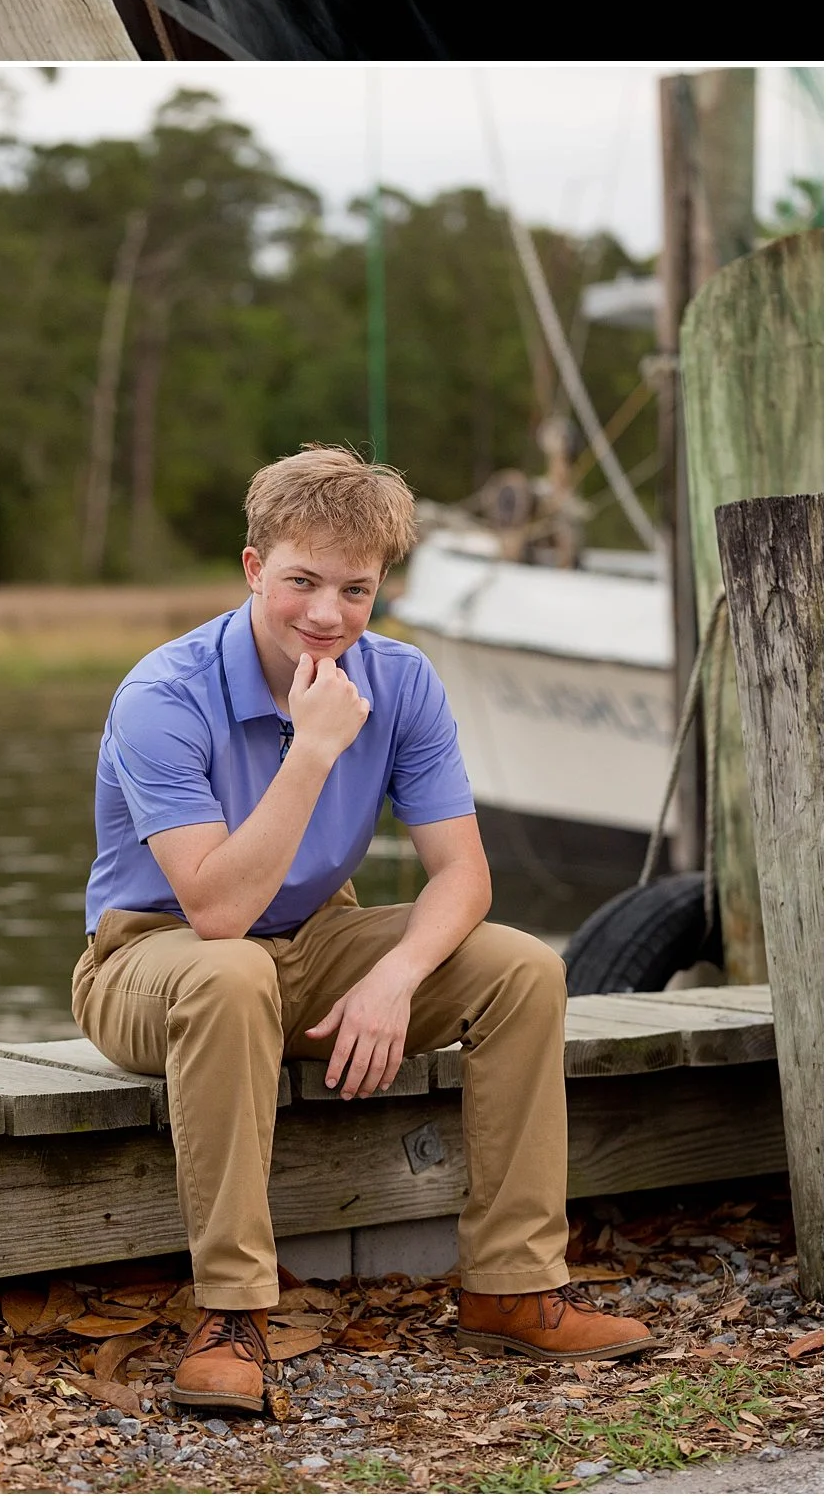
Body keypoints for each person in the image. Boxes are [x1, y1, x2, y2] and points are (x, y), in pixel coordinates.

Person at [72, 439, 649, 1415]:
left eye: (354, 588)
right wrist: (312, 750)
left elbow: (462, 873)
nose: (326, 614)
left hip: (310, 943)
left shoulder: (404, 680)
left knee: (518, 966)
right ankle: (231, 1314)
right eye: (300, 580)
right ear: (254, 568)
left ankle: (511, 1284)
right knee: (230, 972)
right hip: (151, 957)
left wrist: (394, 976)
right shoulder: (161, 696)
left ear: (381, 584)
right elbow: (214, 911)